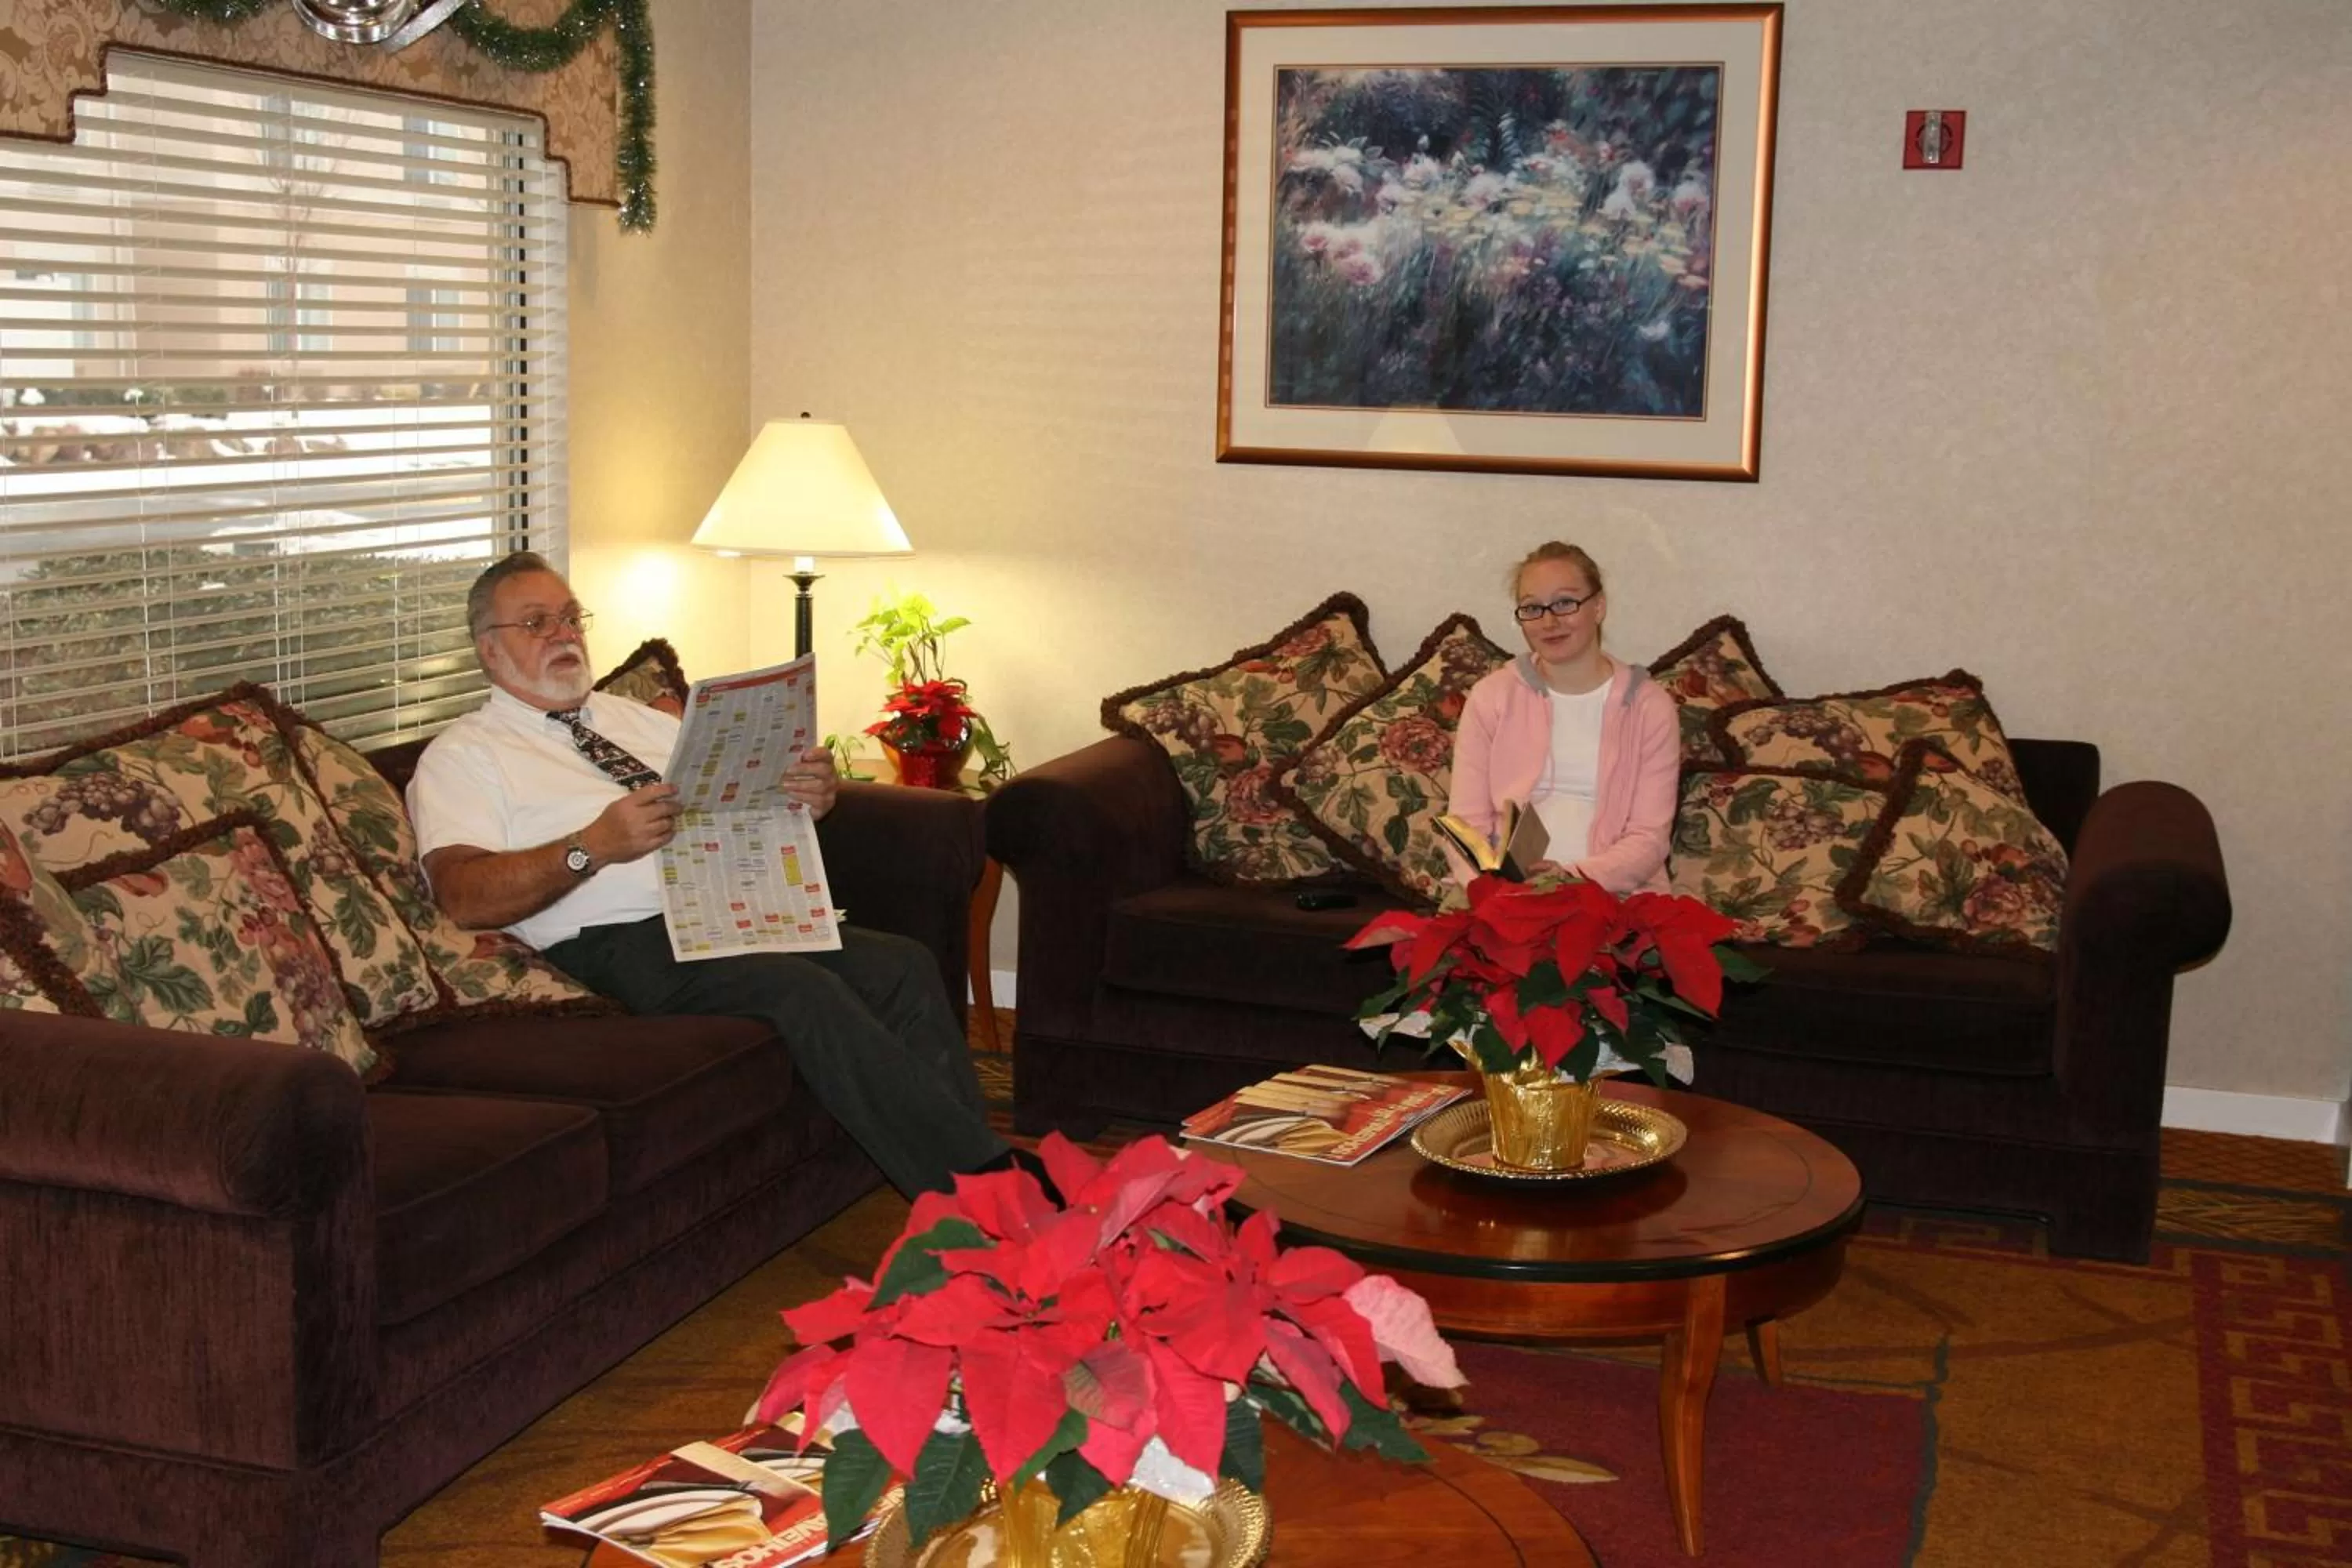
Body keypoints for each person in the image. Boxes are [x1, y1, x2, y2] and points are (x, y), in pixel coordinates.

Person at [405, 550, 1014, 1196]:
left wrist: (804, 795)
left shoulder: (636, 720)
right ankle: (988, 1189)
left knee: (902, 965)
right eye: (535, 623)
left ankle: (968, 1195)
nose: (562, 634)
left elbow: (732, 802)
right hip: (616, 941)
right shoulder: (465, 756)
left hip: (723, 909)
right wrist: (591, 847)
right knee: (799, 991)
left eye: (570, 617)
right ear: (489, 652)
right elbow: (462, 895)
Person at [1447, 542, 1679, 895]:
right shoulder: (1491, 697)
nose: (1549, 621)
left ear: (1598, 607)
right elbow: (1466, 825)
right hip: (1504, 893)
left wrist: (1570, 880)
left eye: (1565, 603)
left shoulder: (1649, 706)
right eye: (1532, 608)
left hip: (1615, 895)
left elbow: (1649, 837)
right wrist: (1491, 888)